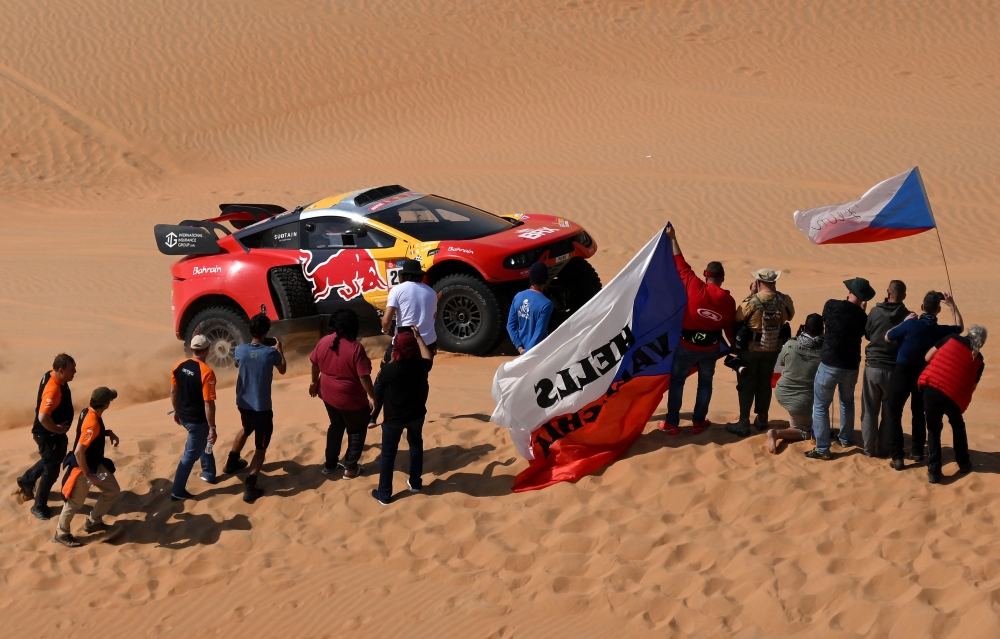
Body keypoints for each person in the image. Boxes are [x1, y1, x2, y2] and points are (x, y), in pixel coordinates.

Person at [660, 223, 736, 435]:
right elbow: (729, 327)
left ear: (706, 275)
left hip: (686, 345)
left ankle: (672, 424)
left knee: (677, 383)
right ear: (722, 278)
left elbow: (680, 263)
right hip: (710, 349)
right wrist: (733, 345)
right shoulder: (728, 300)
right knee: (705, 385)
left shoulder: (695, 286)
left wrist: (673, 238)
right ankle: (698, 422)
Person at [885, 291, 964, 470]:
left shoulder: (911, 323)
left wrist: (904, 323)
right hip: (923, 372)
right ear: (938, 310)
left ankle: (898, 457)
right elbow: (960, 327)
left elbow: (887, 337)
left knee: (894, 412)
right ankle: (917, 451)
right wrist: (952, 304)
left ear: (922, 307)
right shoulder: (939, 330)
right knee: (918, 411)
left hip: (903, 371)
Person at [805, 278, 875, 460]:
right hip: (850, 367)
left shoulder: (832, 304)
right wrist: (860, 311)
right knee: (847, 402)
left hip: (829, 363)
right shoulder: (863, 316)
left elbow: (827, 320)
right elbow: (864, 332)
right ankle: (845, 439)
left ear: (850, 292)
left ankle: (822, 448)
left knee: (820, 406)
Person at [224, 313, 286, 503]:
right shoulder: (271, 353)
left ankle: (231, 463)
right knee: (261, 447)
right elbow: (282, 369)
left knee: (247, 428)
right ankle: (250, 485)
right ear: (267, 332)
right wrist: (280, 350)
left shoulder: (240, 350)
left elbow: (236, 363)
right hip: (262, 408)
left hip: (243, 404)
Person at [726, 268, 795, 437]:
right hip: (773, 350)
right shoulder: (785, 300)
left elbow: (737, 318)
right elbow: (790, 316)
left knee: (746, 385)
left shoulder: (752, 301)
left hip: (751, 350)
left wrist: (751, 295)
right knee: (765, 384)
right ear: (774, 282)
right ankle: (762, 419)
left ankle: (743, 423)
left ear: (758, 283)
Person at [310, 309, 376, 478]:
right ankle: (350, 468)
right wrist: (372, 396)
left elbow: (315, 364)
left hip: (327, 394)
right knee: (356, 430)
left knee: (336, 425)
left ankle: (330, 465)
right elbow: (364, 377)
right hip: (350, 399)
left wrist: (314, 382)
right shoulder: (356, 348)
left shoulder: (324, 341)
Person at [371, 327, 434, 506]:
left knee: (388, 455)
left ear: (396, 349)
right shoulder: (422, 366)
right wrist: (419, 338)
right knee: (416, 445)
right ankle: (415, 483)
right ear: (414, 348)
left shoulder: (389, 371)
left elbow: (379, 383)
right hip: (416, 415)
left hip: (394, 419)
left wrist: (392, 359)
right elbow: (428, 357)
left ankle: (384, 494)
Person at [371, 259, 437, 427]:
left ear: (403, 276)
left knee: (383, 378)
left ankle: (372, 416)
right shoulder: (431, 292)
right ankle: (416, 415)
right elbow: (433, 317)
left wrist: (387, 331)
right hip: (427, 342)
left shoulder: (397, 290)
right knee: (420, 377)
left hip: (404, 341)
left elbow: (386, 320)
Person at [53, 387, 121, 548]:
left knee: (112, 490)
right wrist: (88, 474)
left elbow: (88, 433)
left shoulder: (88, 411)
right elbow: (79, 452)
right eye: (110, 400)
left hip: (95, 464)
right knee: (74, 503)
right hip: (83, 468)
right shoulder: (92, 422)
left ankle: (93, 522)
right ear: (106, 404)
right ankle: (61, 534)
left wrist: (108, 432)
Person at [918, 325, 987, 483]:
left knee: (934, 430)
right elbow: (972, 387)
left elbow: (928, 357)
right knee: (958, 426)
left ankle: (934, 471)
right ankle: (963, 462)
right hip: (953, 395)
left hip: (931, 388)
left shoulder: (950, 338)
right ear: (981, 342)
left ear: (968, 333)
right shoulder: (979, 360)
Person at [17, 354, 77, 521]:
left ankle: (26, 480)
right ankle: (38, 506)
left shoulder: (51, 374)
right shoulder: (53, 389)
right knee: (51, 470)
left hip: (50, 434)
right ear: (60, 370)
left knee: (51, 459)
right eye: (72, 370)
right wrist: (57, 430)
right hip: (47, 434)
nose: (75, 372)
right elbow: (43, 417)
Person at [861, 280, 911, 458]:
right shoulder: (909, 316)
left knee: (869, 411)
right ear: (904, 296)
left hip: (873, 367)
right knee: (889, 414)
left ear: (888, 293)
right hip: (893, 370)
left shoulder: (875, 312)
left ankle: (868, 450)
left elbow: (867, 334)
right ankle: (884, 450)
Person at [169, 335, 218, 501]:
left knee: (202, 442)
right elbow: (208, 404)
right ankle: (177, 491)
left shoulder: (178, 365)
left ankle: (209, 474)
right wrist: (213, 428)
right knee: (189, 457)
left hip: (183, 416)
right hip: (197, 421)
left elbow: (173, 392)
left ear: (192, 349)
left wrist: (176, 411)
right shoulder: (207, 373)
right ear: (207, 350)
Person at [767, 314, 824, 454]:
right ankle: (776, 433)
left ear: (804, 328)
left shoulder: (790, 344)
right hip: (802, 399)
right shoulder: (826, 350)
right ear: (822, 330)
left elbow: (780, 364)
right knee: (805, 432)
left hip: (783, 391)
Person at [507, 262, 554, 355]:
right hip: (537, 352)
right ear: (546, 280)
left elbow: (510, 325)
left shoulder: (518, 296)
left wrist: (520, 347)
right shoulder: (546, 304)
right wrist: (526, 354)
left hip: (522, 350)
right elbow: (539, 333)